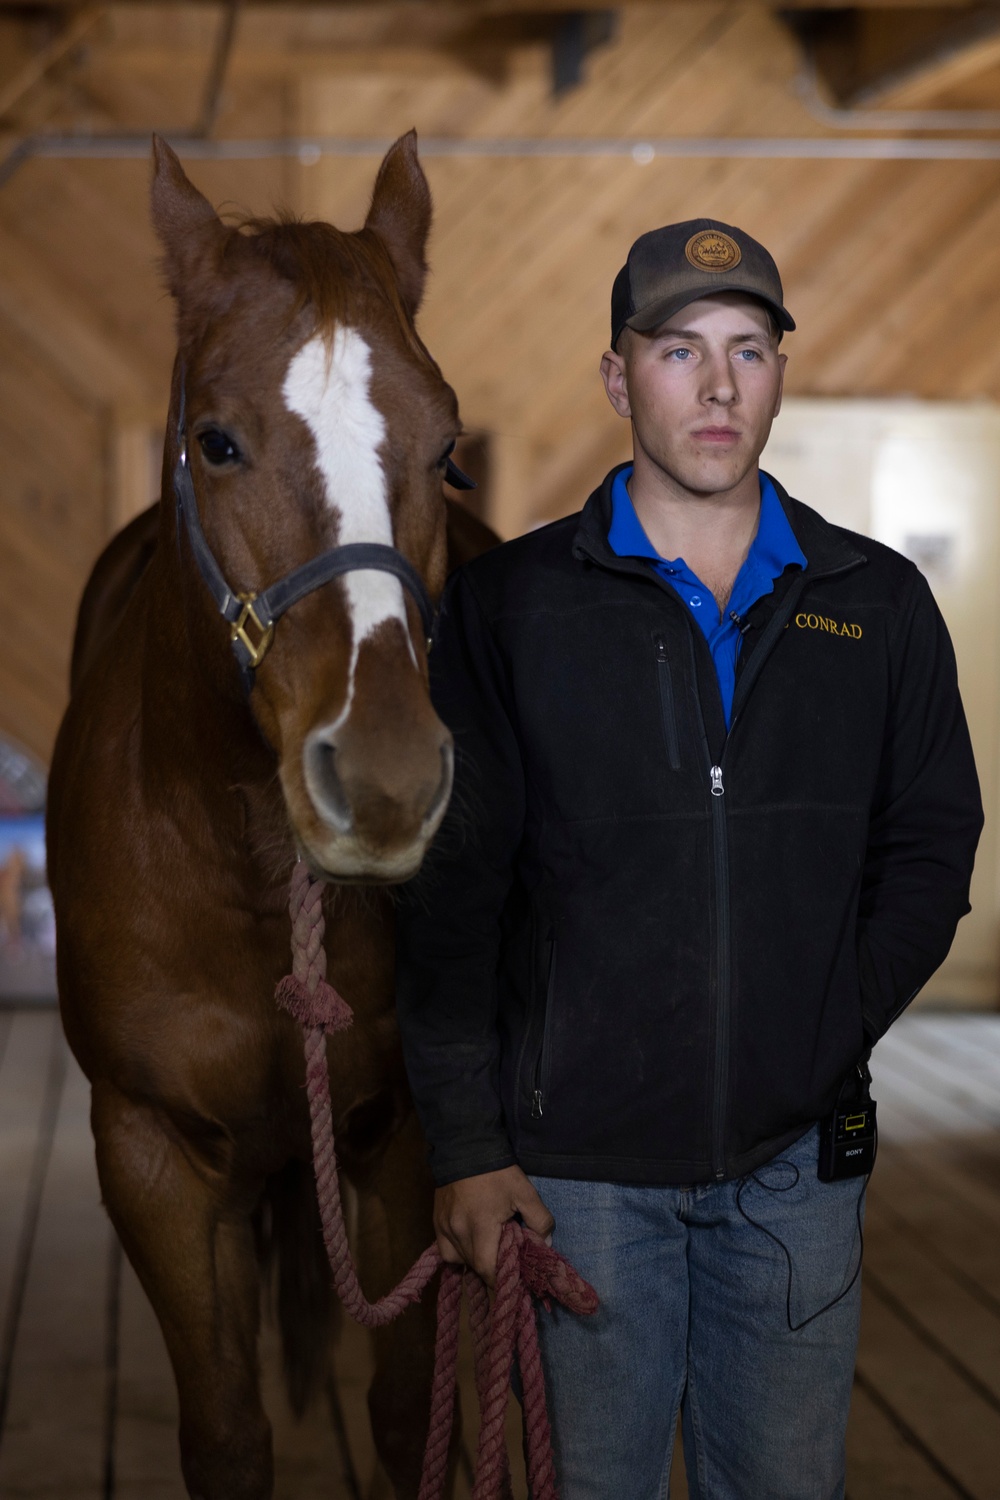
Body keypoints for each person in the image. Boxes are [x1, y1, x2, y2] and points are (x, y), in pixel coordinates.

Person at [395, 219, 983, 1499]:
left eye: (748, 350)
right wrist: (462, 1142)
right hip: (578, 1183)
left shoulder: (873, 603)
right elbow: (452, 898)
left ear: (779, 372)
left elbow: (934, 842)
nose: (717, 387)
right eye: (678, 351)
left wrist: (822, 1024)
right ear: (619, 379)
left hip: (794, 1177)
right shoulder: (514, 609)